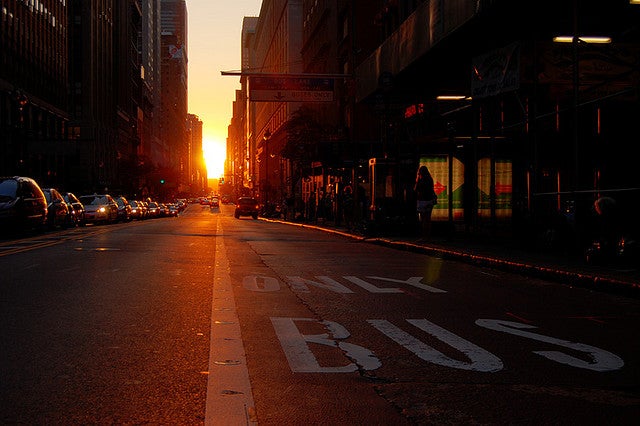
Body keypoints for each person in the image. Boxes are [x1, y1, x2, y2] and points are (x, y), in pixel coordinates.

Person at [414, 165, 437, 239]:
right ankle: (428, 235)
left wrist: (417, 179)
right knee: (428, 219)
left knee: (423, 219)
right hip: (429, 201)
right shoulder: (430, 179)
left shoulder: (421, 180)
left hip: (422, 201)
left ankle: (424, 236)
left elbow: (416, 189)